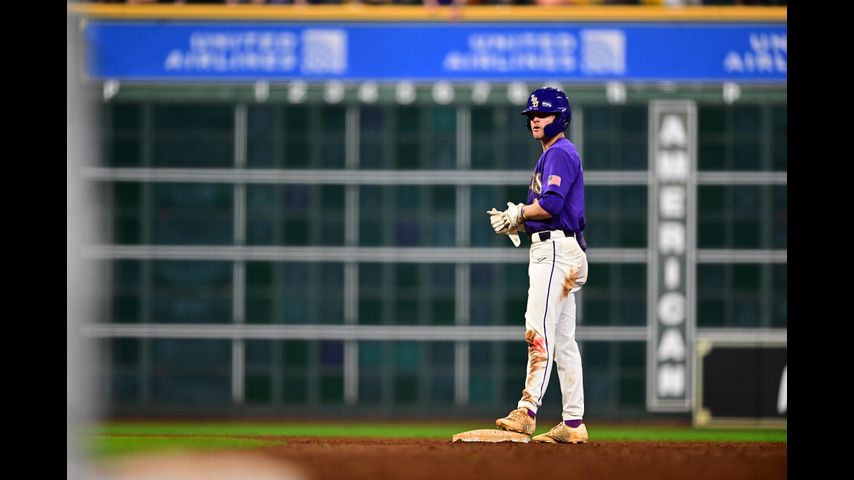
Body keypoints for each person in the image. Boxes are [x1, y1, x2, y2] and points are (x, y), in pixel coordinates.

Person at [488, 86, 590, 444]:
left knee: (538, 333)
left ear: (559, 117)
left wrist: (520, 211)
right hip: (561, 248)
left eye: (542, 114)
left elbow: (551, 203)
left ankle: (527, 410)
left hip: (556, 252)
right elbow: (547, 212)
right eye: (531, 115)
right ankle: (574, 424)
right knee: (563, 343)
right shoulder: (552, 153)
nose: (535, 120)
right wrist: (520, 222)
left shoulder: (559, 152)